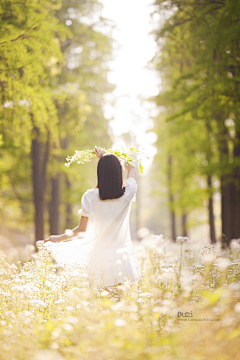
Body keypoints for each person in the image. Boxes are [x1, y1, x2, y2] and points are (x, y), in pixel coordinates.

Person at [43, 146, 142, 288]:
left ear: (99, 173)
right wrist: (110, 158)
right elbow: (131, 167)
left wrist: (59, 238)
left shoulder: (90, 197)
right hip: (121, 257)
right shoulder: (127, 193)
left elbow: (81, 229)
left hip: (98, 257)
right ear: (118, 171)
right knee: (119, 304)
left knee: (102, 304)